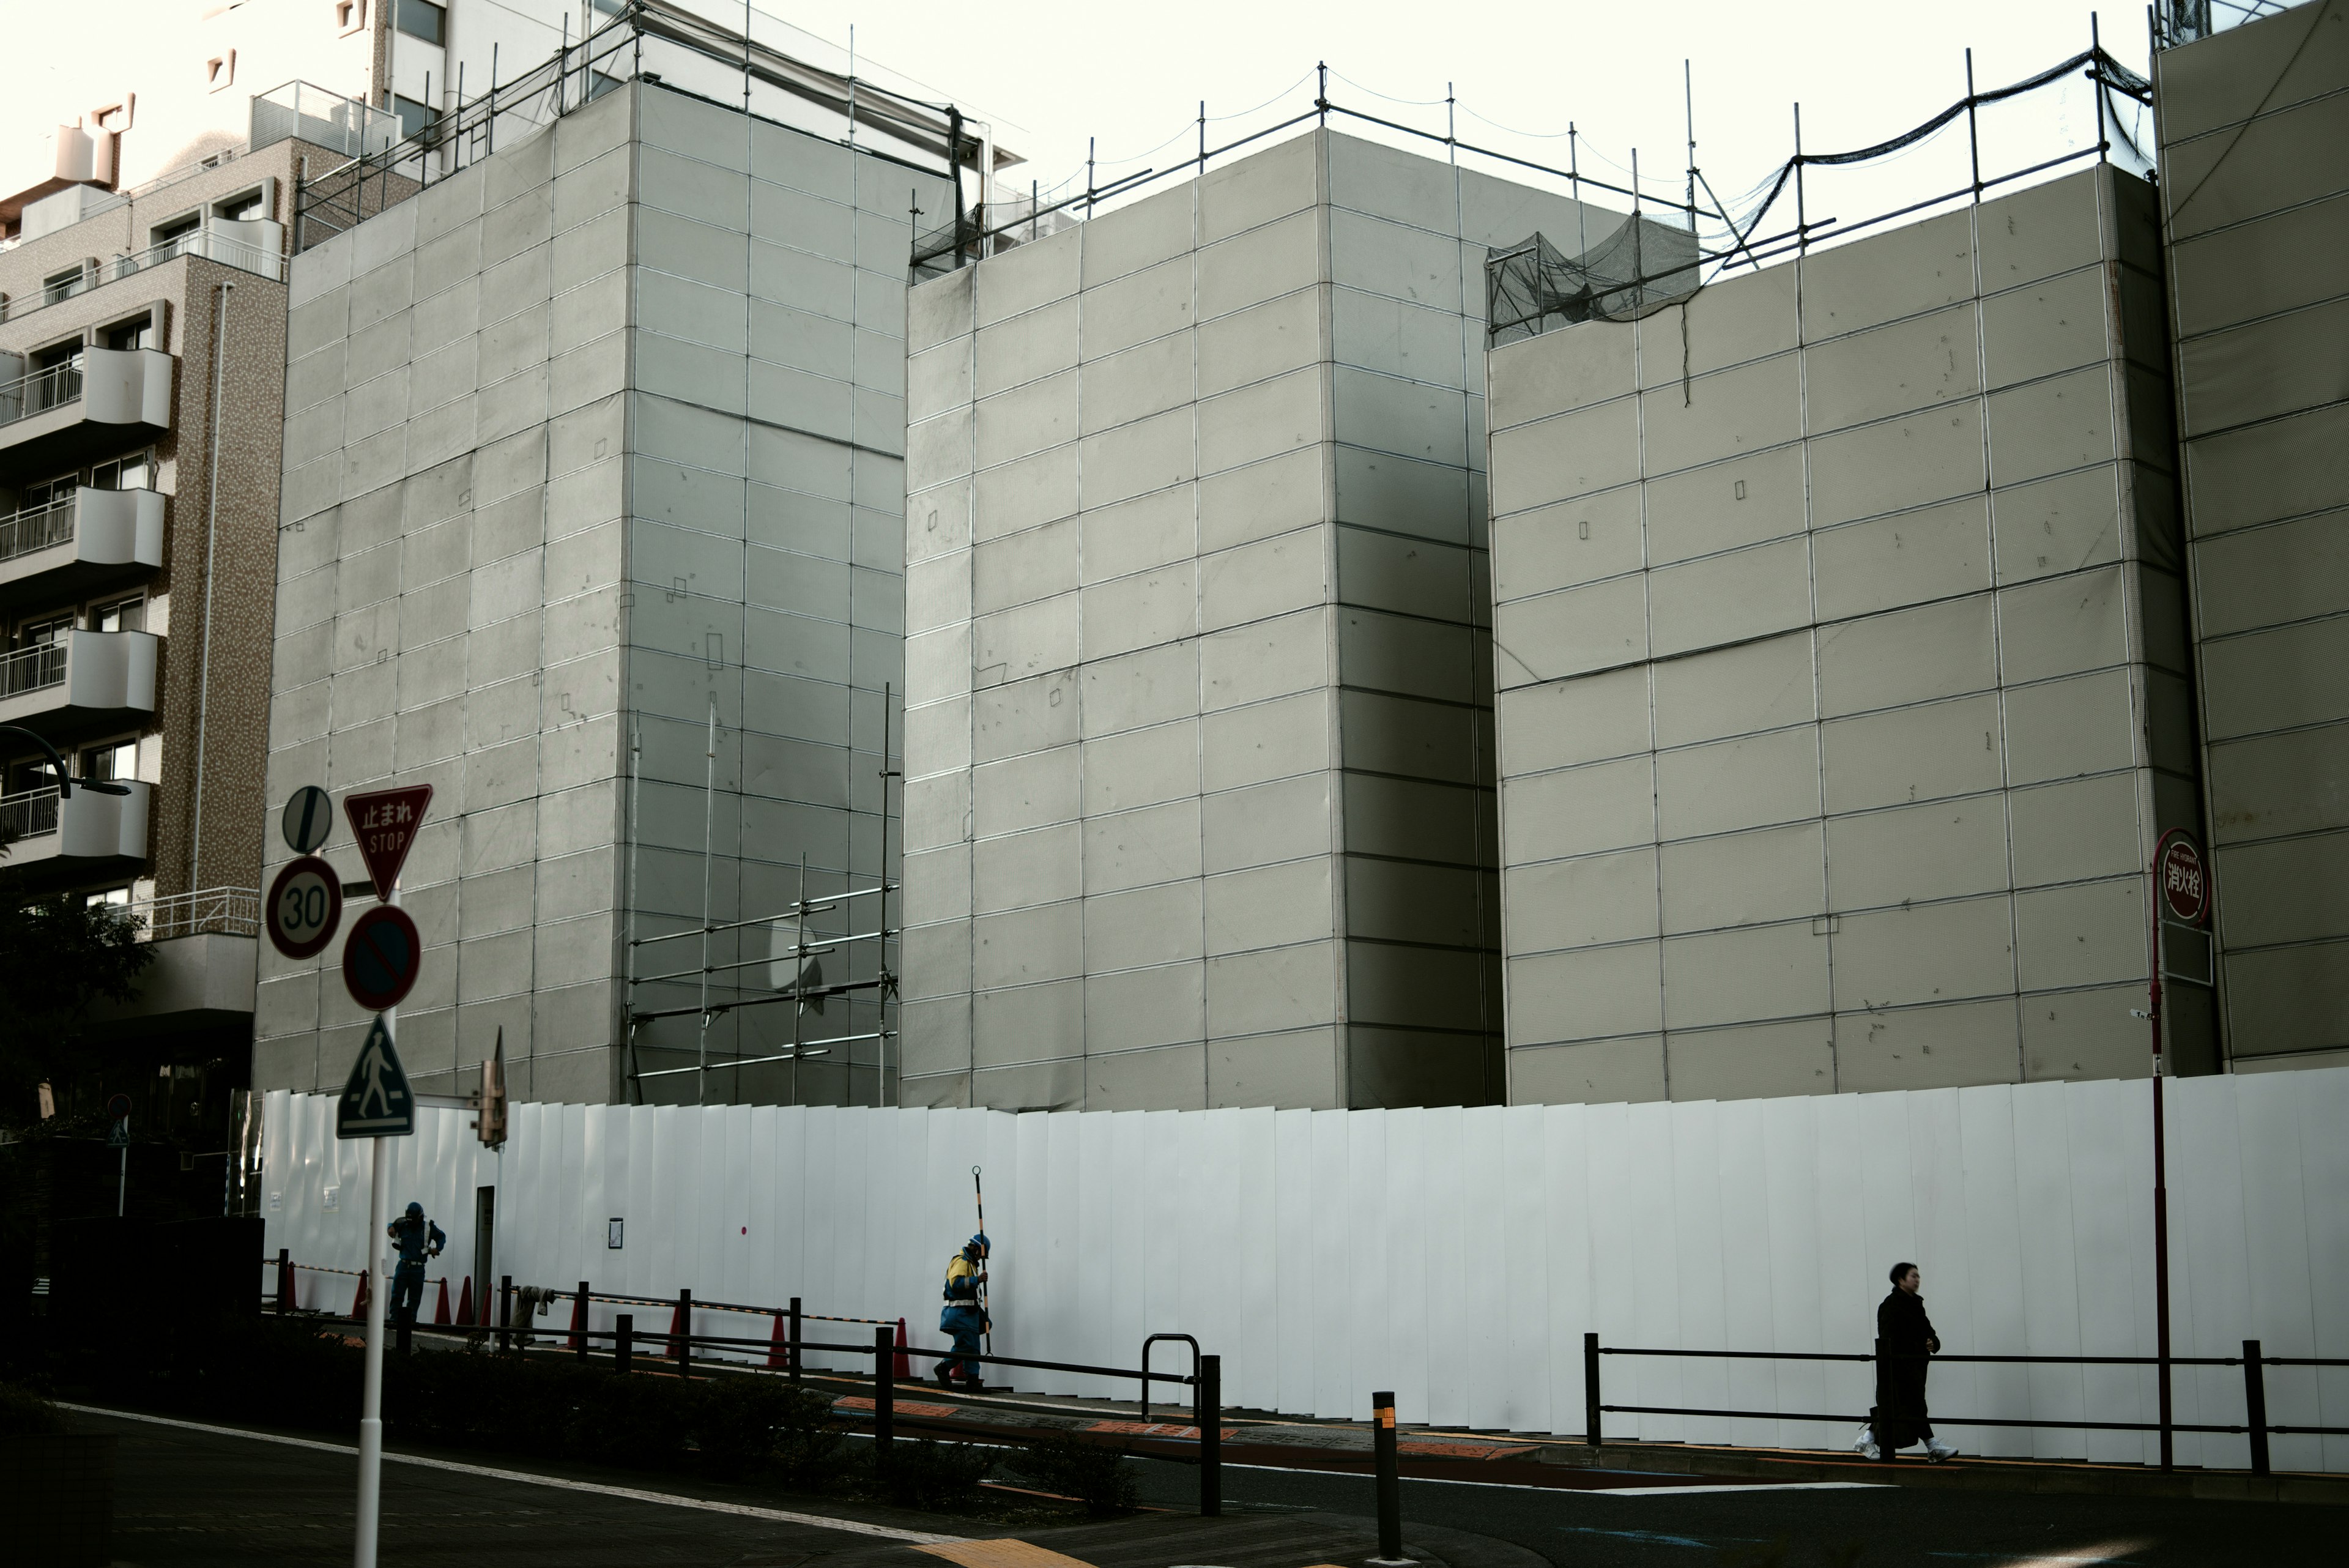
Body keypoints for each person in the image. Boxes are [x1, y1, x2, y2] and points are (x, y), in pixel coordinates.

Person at [1859, 1261, 1958, 1463]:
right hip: (1900, 1365)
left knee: (1900, 1406)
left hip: (1914, 1364)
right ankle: (1932, 1446)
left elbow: (1927, 1329)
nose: (1917, 1280)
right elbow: (1887, 1338)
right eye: (1913, 1276)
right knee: (1910, 1405)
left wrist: (1933, 1342)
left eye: (1918, 1276)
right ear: (1900, 1280)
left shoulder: (1915, 1303)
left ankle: (1867, 1439)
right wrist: (1916, 1347)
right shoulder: (1891, 1305)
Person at [936, 1232, 990, 1390]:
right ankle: (944, 1367)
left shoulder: (970, 1264)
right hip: (960, 1314)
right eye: (982, 1255)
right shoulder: (962, 1261)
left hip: (967, 1315)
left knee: (973, 1347)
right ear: (977, 1250)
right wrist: (977, 1280)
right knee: (966, 1346)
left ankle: (973, 1381)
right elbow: (956, 1284)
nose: (981, 1259)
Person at [385, 1201, 446, 1329]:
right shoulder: (403, 1224)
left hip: (418, 1267)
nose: (411, 1222)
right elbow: (392, 1225)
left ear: (420, 1217)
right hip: (403, 1265)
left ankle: (410, 1321)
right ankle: (394, 1320)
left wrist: (438, 1248)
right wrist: (390, 1228)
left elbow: (441, 1237)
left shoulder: (428, 1228)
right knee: (397, 1294)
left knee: (414, 1297)